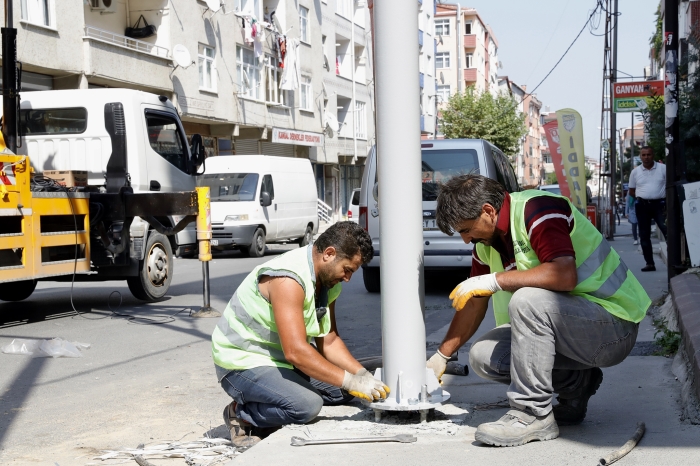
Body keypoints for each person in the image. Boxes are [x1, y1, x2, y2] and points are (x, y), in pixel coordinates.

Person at [426, 174, 650, 447]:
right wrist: (441, 356)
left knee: (526, 299)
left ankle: (533, 414)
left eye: (466, 229)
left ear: (488, 211)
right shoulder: (485, 245)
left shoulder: (539, 210)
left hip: (613, 326)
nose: (465, 240)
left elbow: (563, 275)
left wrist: (494, 280)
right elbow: (474, 304)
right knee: (482, 355)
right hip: (576, 332)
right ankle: (576, 383)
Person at [212, 222, 389, 448]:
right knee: (306, 406)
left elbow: (330, 340)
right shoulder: (289, 279)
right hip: (242, 362)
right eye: (347, 270)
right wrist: (349, 380)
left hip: (279, 360)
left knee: (342, 392)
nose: (348, 279)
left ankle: (281, 395)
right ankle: (241, 414)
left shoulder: (327, 282)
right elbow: (295, 351)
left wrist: (361, 375)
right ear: (329, 253)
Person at [628, 146, 667, 271]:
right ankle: (650, 263)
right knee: (644, 235)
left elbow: (670, 186)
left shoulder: (663, 168)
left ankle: (674, 260)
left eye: (648, 154)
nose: (646, 157)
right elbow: (631, 191)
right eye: (643, 155)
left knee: (667, 230)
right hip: (642, 206)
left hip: (660, 205)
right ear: (640, 156)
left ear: (653, 155)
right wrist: (643, 197)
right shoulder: (635, 172)